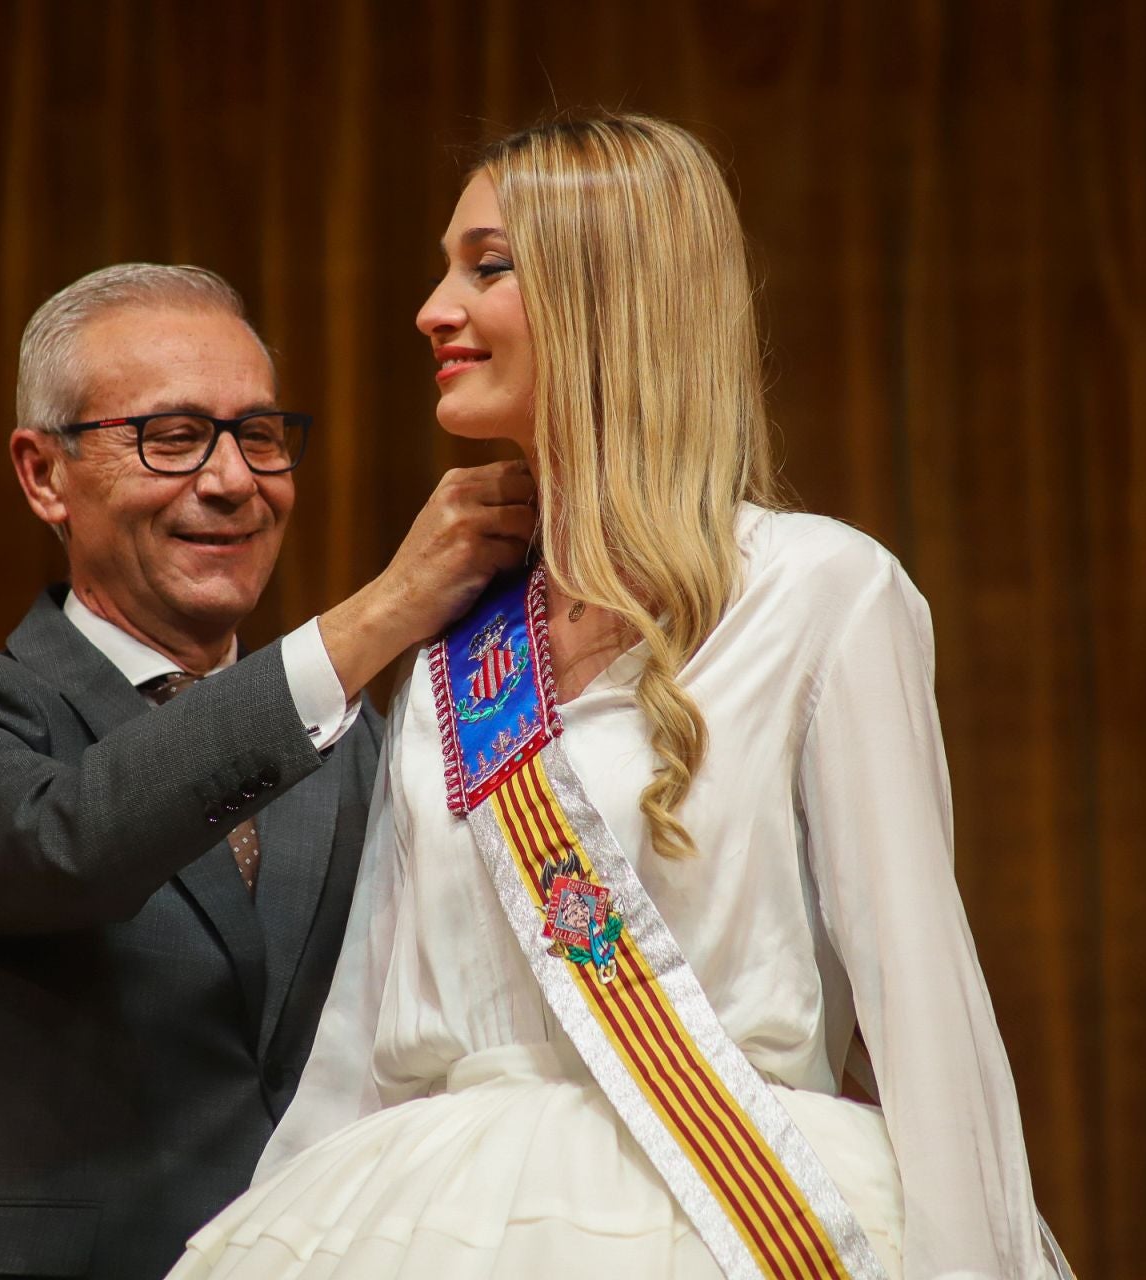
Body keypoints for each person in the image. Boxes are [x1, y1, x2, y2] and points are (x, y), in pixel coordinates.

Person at [168, 117, 1074, 1280]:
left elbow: (925, 1005)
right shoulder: (458, 646)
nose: (432, 309)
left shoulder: (822, 593)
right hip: (430, 1217)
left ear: (609, 294)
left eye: (486, 266)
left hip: (727, 1209)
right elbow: (363, 1034)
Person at [0, 263, 536, 1280]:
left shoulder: (355, 745)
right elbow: (71, 839)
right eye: (171, 438)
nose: (229, 481)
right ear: (44, 474)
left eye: (259, 436)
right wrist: (379, 615)